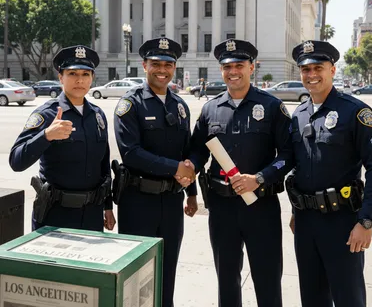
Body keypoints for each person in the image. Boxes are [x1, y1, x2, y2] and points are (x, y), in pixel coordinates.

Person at [189, 39, 292, 307]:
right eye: (227, 67)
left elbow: (289, 155)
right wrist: (190, 167)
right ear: (221, 71)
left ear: (252, 67)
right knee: (226, 278)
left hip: (261, 206)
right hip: (222, 207)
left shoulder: (271, 107)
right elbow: (198, 150)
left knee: (267, 277)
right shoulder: (211, 108)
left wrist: (259, 179)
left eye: (239, 65)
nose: (233, 71)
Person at [287, 40, 372, 307]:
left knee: (348, 297)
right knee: (312, 297)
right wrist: (296, 212)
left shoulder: (355, 111)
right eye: (305, 70)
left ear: (332, 70)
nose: (311, 75)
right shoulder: (299, 114)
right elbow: (300, 166)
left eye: (318, 68)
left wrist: (366, 220)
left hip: (342, 222)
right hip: (306, 222)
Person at [114, 37, 198, 307]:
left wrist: (192, 193)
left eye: (168, 64)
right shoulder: (130, 104)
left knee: (167, 269)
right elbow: (131, 153)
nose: (162, 70)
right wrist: (175, 168)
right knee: (136, 274)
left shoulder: (180, 106)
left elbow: (187, 151)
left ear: (175, 68)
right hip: (138, 201)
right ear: (144, 65)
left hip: (172, 202)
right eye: (155, 64)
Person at [9, 45, 115, 232]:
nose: (79, 80)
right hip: (56, 215)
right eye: (72, 74)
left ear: (92, 78)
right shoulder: (46, 114)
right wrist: (46, 135)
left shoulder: (97, 115)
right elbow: (16, 161)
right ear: (61, 77)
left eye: (85, 74)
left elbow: (103, 165)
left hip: (92, 213)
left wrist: (107, 206)